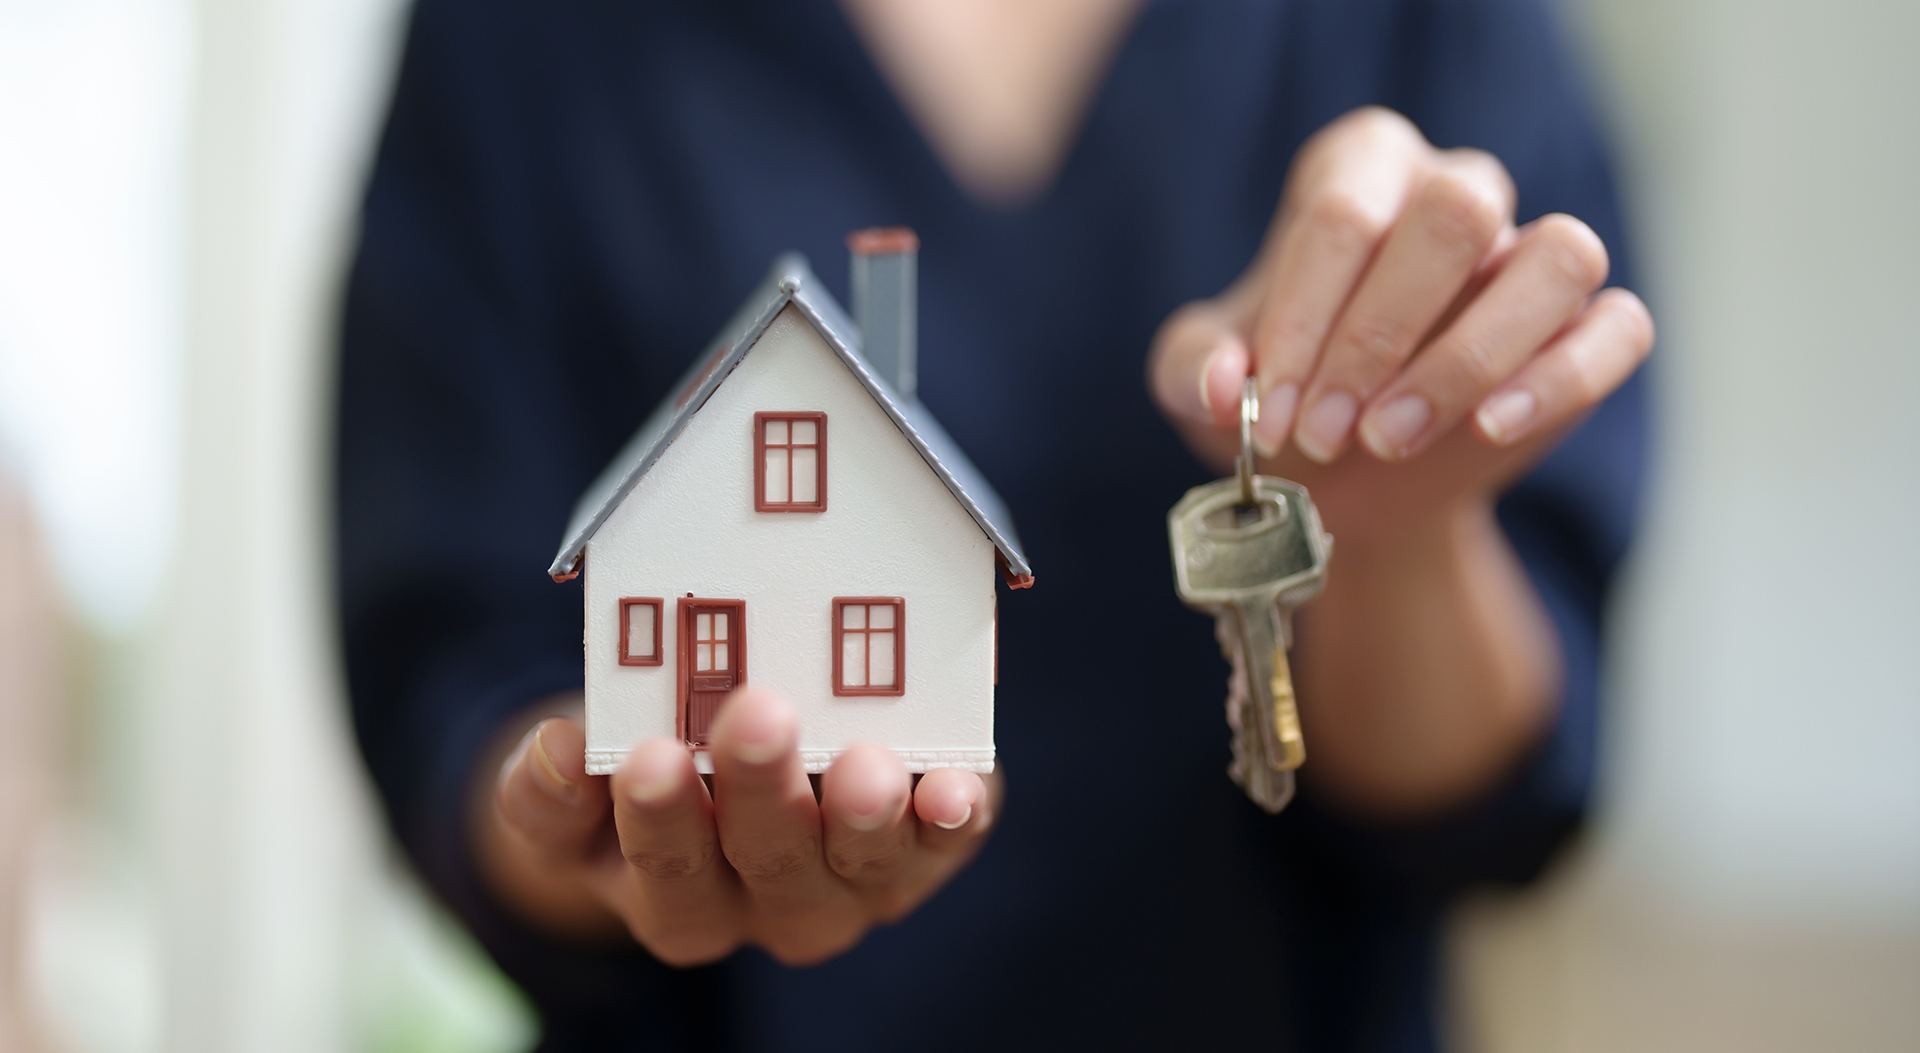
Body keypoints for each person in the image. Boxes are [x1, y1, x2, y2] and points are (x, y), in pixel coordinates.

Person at [335, 0, 1652, 1049]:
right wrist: (588, 816)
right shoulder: (516, 32)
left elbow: (1503, 798)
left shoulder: (1429, 21)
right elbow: (444, 677)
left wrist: (1389, 520)